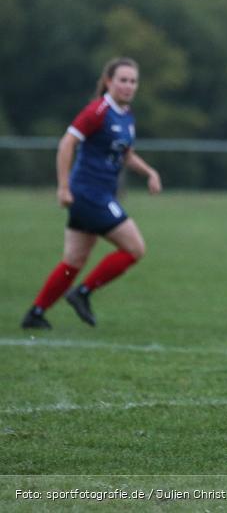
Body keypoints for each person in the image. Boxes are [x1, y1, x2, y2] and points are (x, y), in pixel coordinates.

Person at [21, 57, 162, 330]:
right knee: (134, 249)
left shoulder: (126, 115)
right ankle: (82, 293)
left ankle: (35, 313)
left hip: (96, 195)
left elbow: (126, 154)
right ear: (109, 81)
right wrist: (63, 187)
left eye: (133, 81)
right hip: (89, 194)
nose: (128, 86)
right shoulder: (97, 111)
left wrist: (150, 172)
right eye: (123, 80)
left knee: (73, 261)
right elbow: (67, 143)